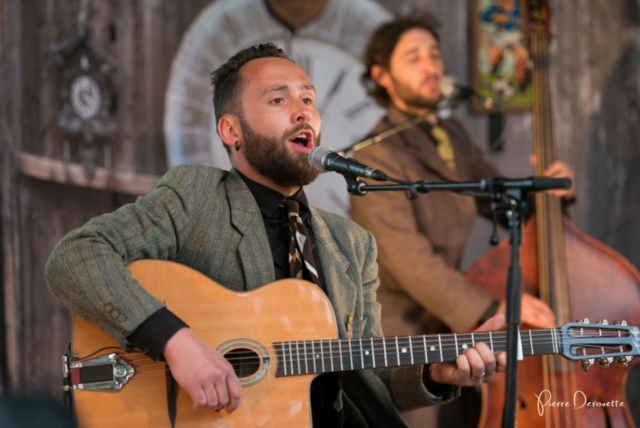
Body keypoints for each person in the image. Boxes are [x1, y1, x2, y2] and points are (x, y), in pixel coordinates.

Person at [45, 43, 508, 428]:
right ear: (231, 132)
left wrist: (437, 372)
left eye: (308, 99)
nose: (302, 111)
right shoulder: (196, 197)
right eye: (278, 100)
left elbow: (368, 380)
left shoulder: (351, 245)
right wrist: (177, 342)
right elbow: (75, 257)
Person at [350, 16, 576, 427]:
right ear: (382, 76)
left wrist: (552, 193)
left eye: (434, 55)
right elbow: (411, 262)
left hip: (455, 326)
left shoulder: (452, 135)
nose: (430, 66)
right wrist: (492, 306)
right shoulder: (375, 155)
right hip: (403, 337)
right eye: (413, 57)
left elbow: (505, 200)